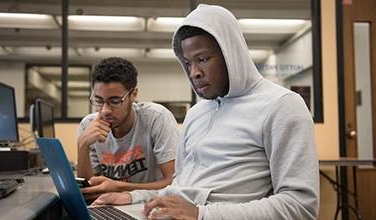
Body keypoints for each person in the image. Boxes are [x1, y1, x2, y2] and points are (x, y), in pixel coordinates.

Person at [92, 4, 320, 220]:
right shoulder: (197, 113)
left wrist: (201, 215)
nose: (194, 73)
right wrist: (131, 197)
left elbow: (300, 206)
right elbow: (181, 187)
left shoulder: (282, 105)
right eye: (188, 63)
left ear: (232, 55)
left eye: (202, 59)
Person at [77, 57, 180, 197]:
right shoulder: (88, 125)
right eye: (99, 100)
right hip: (109, 206)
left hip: (149, 204)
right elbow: (88, 192)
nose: (105, 110)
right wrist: (82, 145)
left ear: (134, 95)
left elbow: (174, 183)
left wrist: (120, 187)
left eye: (115, 101)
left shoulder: (156, 118)